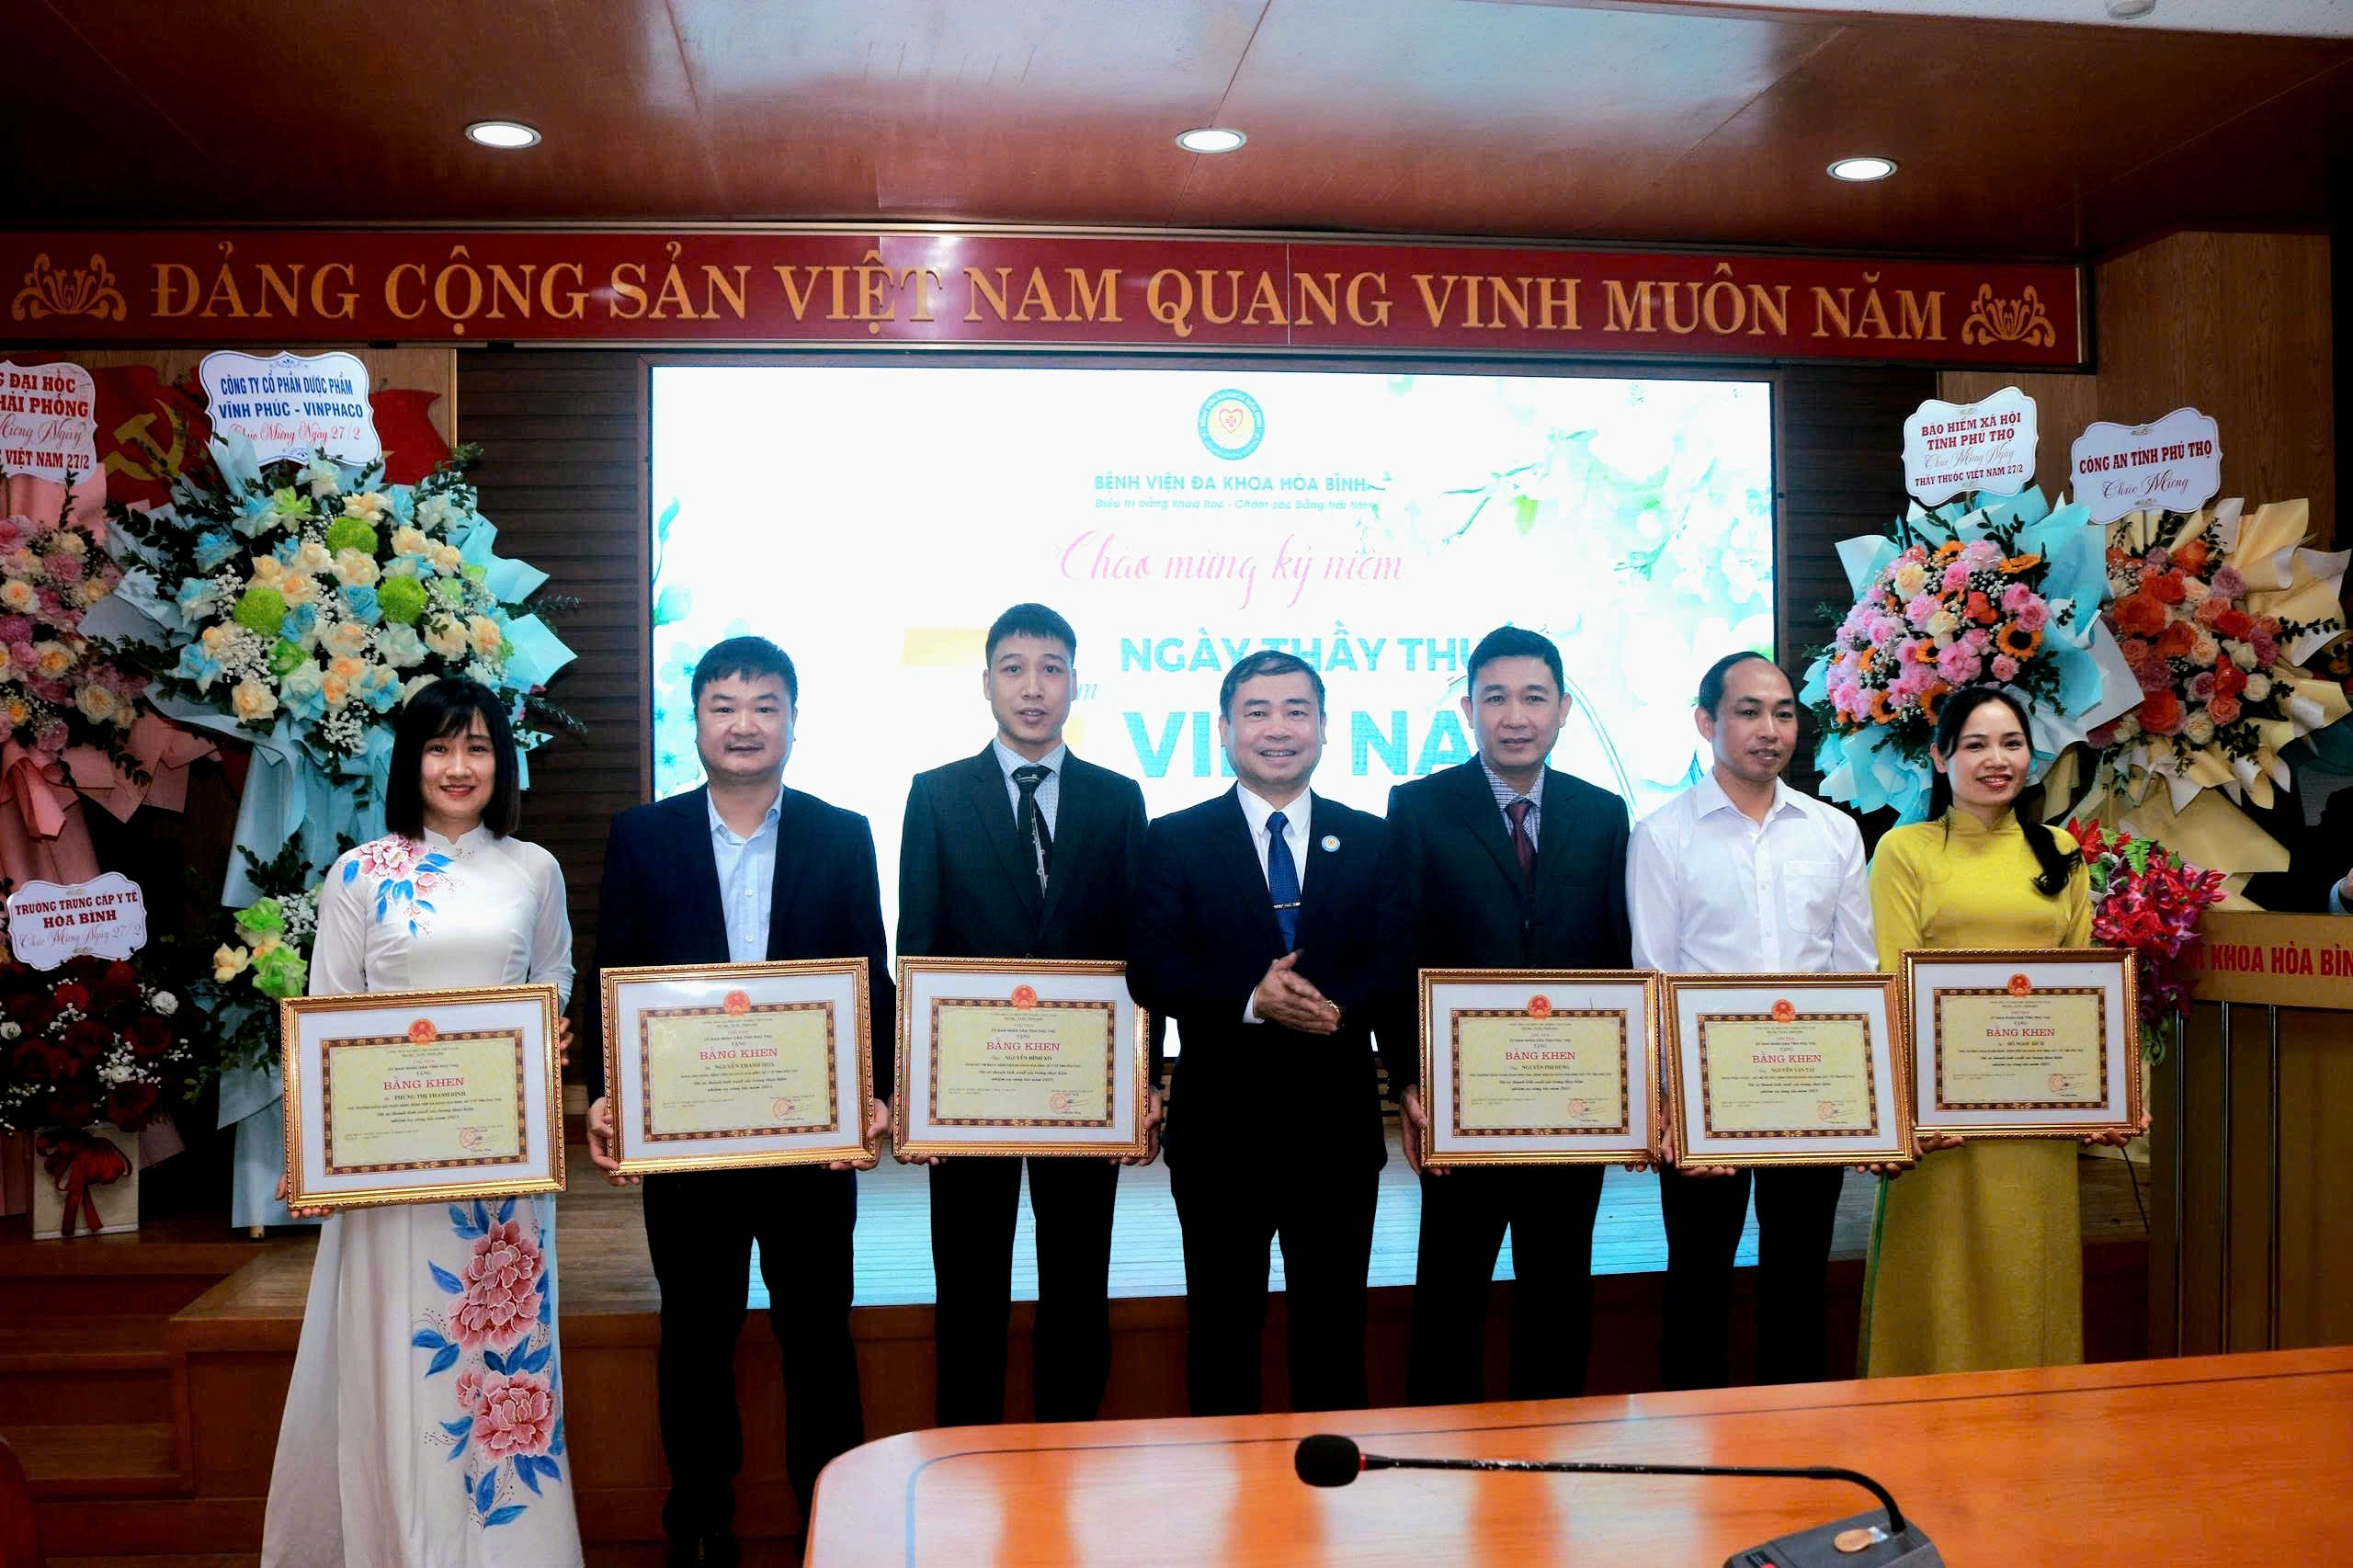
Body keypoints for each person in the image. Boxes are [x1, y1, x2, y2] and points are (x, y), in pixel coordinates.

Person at [584, 636, 892, 1567]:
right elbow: (612, 973)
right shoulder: (644, 835)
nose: (745, 724)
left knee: (819, 1335)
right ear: (696, 723)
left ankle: (832, 1522)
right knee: (694, 1333)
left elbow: (868, 976)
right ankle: (701, 1524)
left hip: (810, 1139)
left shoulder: (842, 833)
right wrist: (607, 1095)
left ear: (793, 720)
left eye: (765, 705)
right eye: (724, 706)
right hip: (687, 1140)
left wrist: (875, 1092)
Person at [262, 679, 585, 1568]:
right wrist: (315, 1152)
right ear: (410, 762)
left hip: (502, 1169)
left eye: (476, 747)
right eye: (439, 748)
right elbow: (328, 1018)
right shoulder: (359, 872)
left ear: (500, 762)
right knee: (405, 1352)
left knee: (504, 1358)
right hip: (391, 1169)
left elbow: (554, 975)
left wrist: (550, 1032)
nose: (457, 766)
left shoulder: (535, 868)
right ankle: (402, 1543)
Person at [896, 603, 1158, 1426]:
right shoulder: (936, 796)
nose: (1033, 687)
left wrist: (1143, 1083)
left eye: (1051, 669)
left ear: (1075, 683)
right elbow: (917, 947)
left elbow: (1139, 952)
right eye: (1014, 669)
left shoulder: (1118, 799)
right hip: (967, 1094)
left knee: (1077, 1284)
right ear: (987, 684)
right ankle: (966, 1456)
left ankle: (1068, 1453)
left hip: (1085, 1093)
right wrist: (916, 1093)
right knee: (968, 1286)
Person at [1129, 650, 1390, 1415]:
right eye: (1257, 712)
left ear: (1325, 727)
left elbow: (1398, 960)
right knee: (1221, 1340)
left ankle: (1331, 1491)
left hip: (1337, 1137)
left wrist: (1337, 1011)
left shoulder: (1372, 840)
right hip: (1221, 1138)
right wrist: (1251, 1000)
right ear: (1223, 729)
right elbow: (1153, 969)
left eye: (1296, 711)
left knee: (1334, 1343)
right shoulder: (1175, 839)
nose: (1278, 729)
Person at [1379, 626, 1633, 1405]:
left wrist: (1626, 1091)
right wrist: (1411, 1081)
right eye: (1495, 698)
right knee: (1450, 1295)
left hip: (1572, 1103)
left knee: (1559, 1292)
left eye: (1533, 698)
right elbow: (1397, 951)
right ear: (1468, 709)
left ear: (1564, 710)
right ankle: (1440, 1452)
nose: (1515, 716)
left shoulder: (1603, 813)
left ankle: (1550, 1450)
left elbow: (1616, 956)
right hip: (1463, 1102)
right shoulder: (1417, 807)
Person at [1859, 685, 2141, 1377]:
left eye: (2012, 744)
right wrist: (1909, 1106)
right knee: (1941, 1276)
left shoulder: (2060, 850)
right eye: (1976, 745)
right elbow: (1894, 978)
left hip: (2036, 1114)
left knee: (2029, 1272)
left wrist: (2105, 1096)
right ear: (1940, 758)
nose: (1997, 760)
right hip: (1942, 1121)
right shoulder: (1904, 851)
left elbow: (2082, 984)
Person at [1629, 652, 1874, 1389]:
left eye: (1784, 713)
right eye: (1748, 712)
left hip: (1811, 1097)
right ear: (1706, 722)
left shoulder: (1834, 833)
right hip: (1705, 1103)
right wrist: (1669, 1104)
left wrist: (1865, 1108)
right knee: (1698, 1282)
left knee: (1799, 1284)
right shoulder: (1662, 835)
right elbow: (1654, 977)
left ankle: (1798, 1436)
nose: (1770, 729)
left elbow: (1855, 974)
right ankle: (1696, 1435)